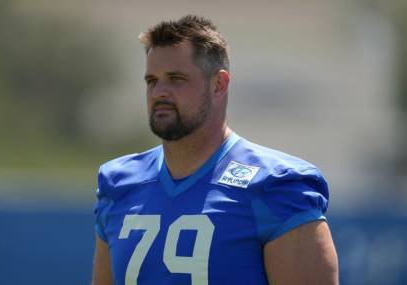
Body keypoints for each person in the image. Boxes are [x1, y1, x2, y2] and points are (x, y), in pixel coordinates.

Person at [91, 15, 338, 285]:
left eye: (176, 78)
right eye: (152, 80)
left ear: (218, 84)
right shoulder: (120, 184)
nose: (159, 92)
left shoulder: (276, 186)